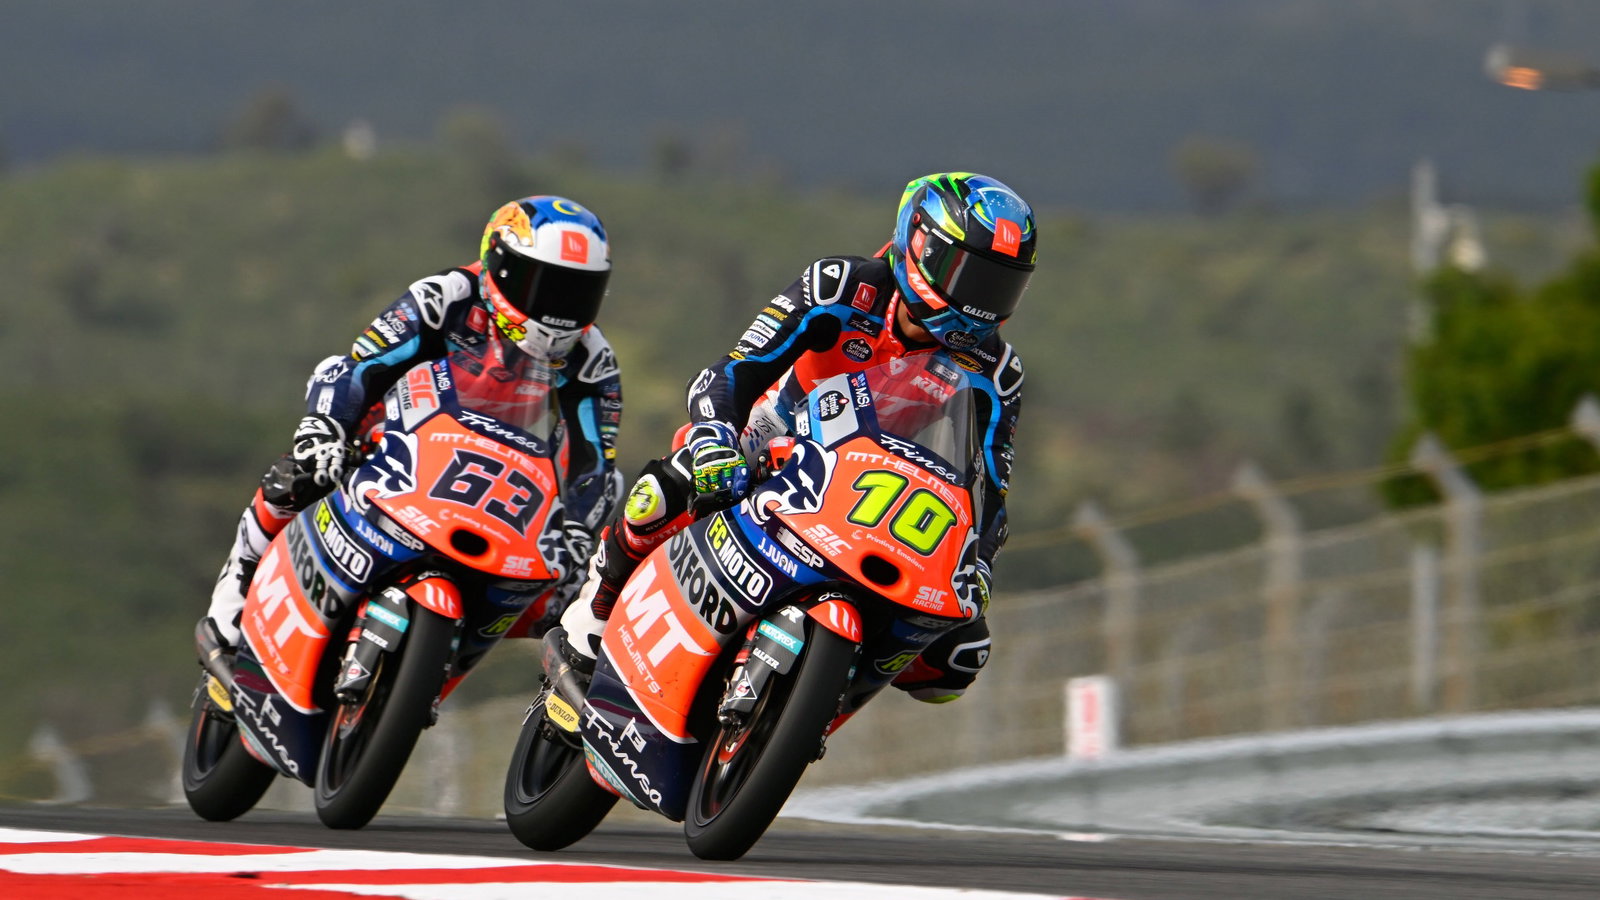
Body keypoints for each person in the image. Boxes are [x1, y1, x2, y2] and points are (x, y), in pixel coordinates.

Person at [551, 172, 1034, 703]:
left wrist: (980, 565)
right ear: (921, 244)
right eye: (970, 277)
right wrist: (716, 436)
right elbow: (733, 371)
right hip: (780, 431)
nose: (981, 303)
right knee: (674, 483)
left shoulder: (995, 371)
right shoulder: (841, 286)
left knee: (958, 658)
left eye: (999, 285)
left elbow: (989, 488)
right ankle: (592, 617)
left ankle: (815, 709)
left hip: (884, 492)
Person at [197, 195, 625, 664]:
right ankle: (232, 596)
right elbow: (361, 367)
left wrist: (577, 535)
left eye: (575, 293)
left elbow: (596, 468)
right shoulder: (447, 296)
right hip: (394, 444)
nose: (557, 310)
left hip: (500, 493)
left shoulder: (592, 359)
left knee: (566, 597)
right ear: (498, 265)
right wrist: (325, 429)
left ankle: (533, 709)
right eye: (543, 286)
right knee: (300, 473)